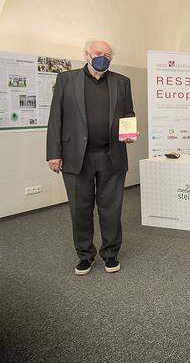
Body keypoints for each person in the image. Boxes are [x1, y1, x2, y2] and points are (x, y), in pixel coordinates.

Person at [46, 40, 137, 276]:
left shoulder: (122, 82)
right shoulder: (67, 80)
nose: (103, 58)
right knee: (80, 209)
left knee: (111, 209)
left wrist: (129, 132)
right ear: (86, 55)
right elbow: (56, 117)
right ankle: (85, 256)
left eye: (108, 55)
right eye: (98, 53)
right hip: (77, 157)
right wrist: (53, 153)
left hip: (111, 156)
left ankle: (110, 254)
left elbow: (128, 113)